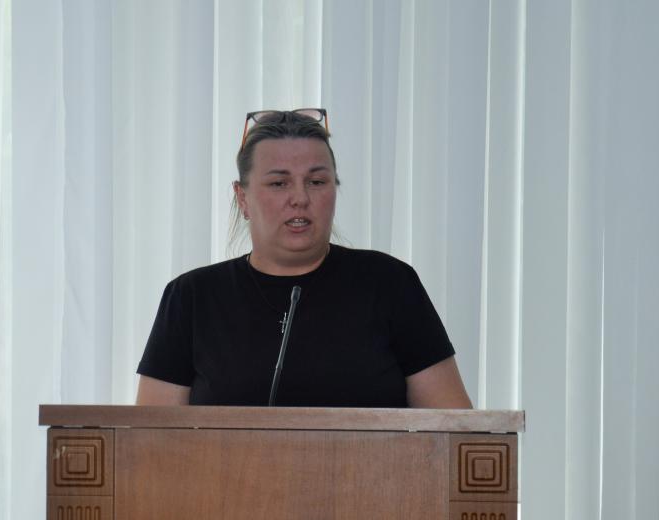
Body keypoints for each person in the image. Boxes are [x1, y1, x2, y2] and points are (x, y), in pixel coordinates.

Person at [136, 108, 472, 409]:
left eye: (316, 181)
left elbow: (454, 431)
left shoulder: (390, 284)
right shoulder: (192, 297)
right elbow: (149, 441)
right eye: (279, 183)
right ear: (243, 198)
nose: (300, 198)